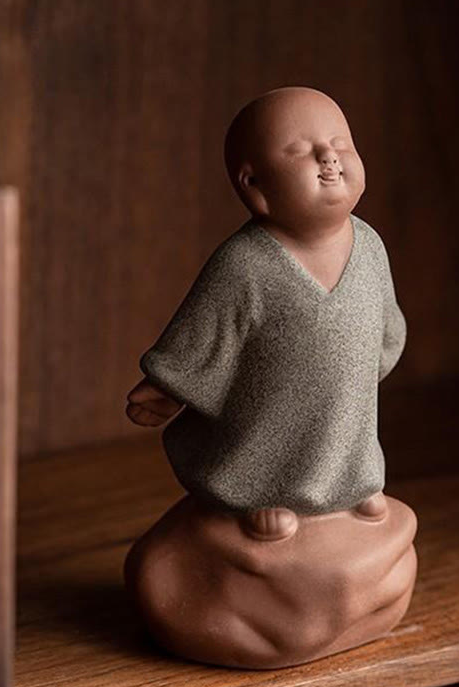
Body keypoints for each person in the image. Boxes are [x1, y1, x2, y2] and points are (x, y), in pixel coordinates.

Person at [127, 86, 406, 540]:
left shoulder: (369, 245)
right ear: (254, 186)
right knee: (272, 441)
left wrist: (376, 351)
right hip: (270, 405)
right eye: (302, 151)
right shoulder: (245, 263)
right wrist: (167, 385)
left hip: (344, 397)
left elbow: (386, 316)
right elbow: (205, 330)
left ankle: (352, 488)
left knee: (348, 429)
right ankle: (265, 495)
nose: (329, 158)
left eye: (340, 145)